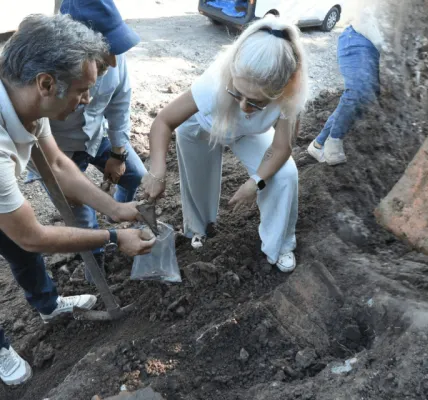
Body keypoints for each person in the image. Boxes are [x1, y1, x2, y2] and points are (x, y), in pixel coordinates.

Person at [0, 14, 155, 386]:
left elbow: (57, 164)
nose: (87, 100)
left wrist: (115, 209)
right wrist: (115, 238)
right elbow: (34, 236)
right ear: (47, 83)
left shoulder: (27, 97)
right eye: (82, 90)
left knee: (16, 244)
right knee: (22, 238)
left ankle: (49, 305)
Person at [141, 15, 308, 273]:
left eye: (256, 102)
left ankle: (280, 245)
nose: (243, 106)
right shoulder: (213, 85)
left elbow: (281, 147)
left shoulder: (290, 97)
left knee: (285, 175)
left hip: (248, 132)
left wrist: (255, 182)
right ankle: (199, 229)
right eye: (237, 94)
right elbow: (164, 121)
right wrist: (157, 172)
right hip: (202, 126)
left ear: (283, 89)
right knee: (199, 181)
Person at [26, 0, 147, 284]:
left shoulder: (115, 60)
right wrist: (61, 184)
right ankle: (97, 277)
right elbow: (54, 163)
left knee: (135, 174)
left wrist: (118, 153)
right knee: (85, 223)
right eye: (106, 50)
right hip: (60, 149)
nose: (114, 61)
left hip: (95, 137)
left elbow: (120, 103)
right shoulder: (41, 85)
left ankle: (118, 219)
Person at [306, 1, 383, 165]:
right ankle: (334, 141)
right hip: (358, 39)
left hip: (374, 48)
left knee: (364, 98)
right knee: (357, 91)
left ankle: (318, 144)